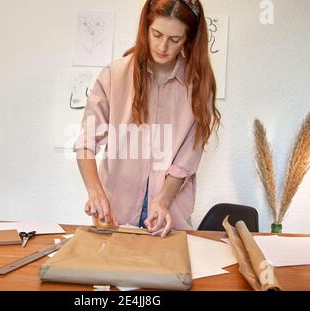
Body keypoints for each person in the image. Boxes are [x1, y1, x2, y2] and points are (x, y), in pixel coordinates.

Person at [74, 0, 220, 237]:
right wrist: (95, 191)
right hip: (114, 215)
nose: (163, 46)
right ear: (146, 28)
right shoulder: (115, 76)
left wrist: (162, 201)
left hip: (167, 217)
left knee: (170, 273)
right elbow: (85, 143)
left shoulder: (199, 88)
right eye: (157, 34)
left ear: (189, 40)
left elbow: (186, 161)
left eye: (175, 39)